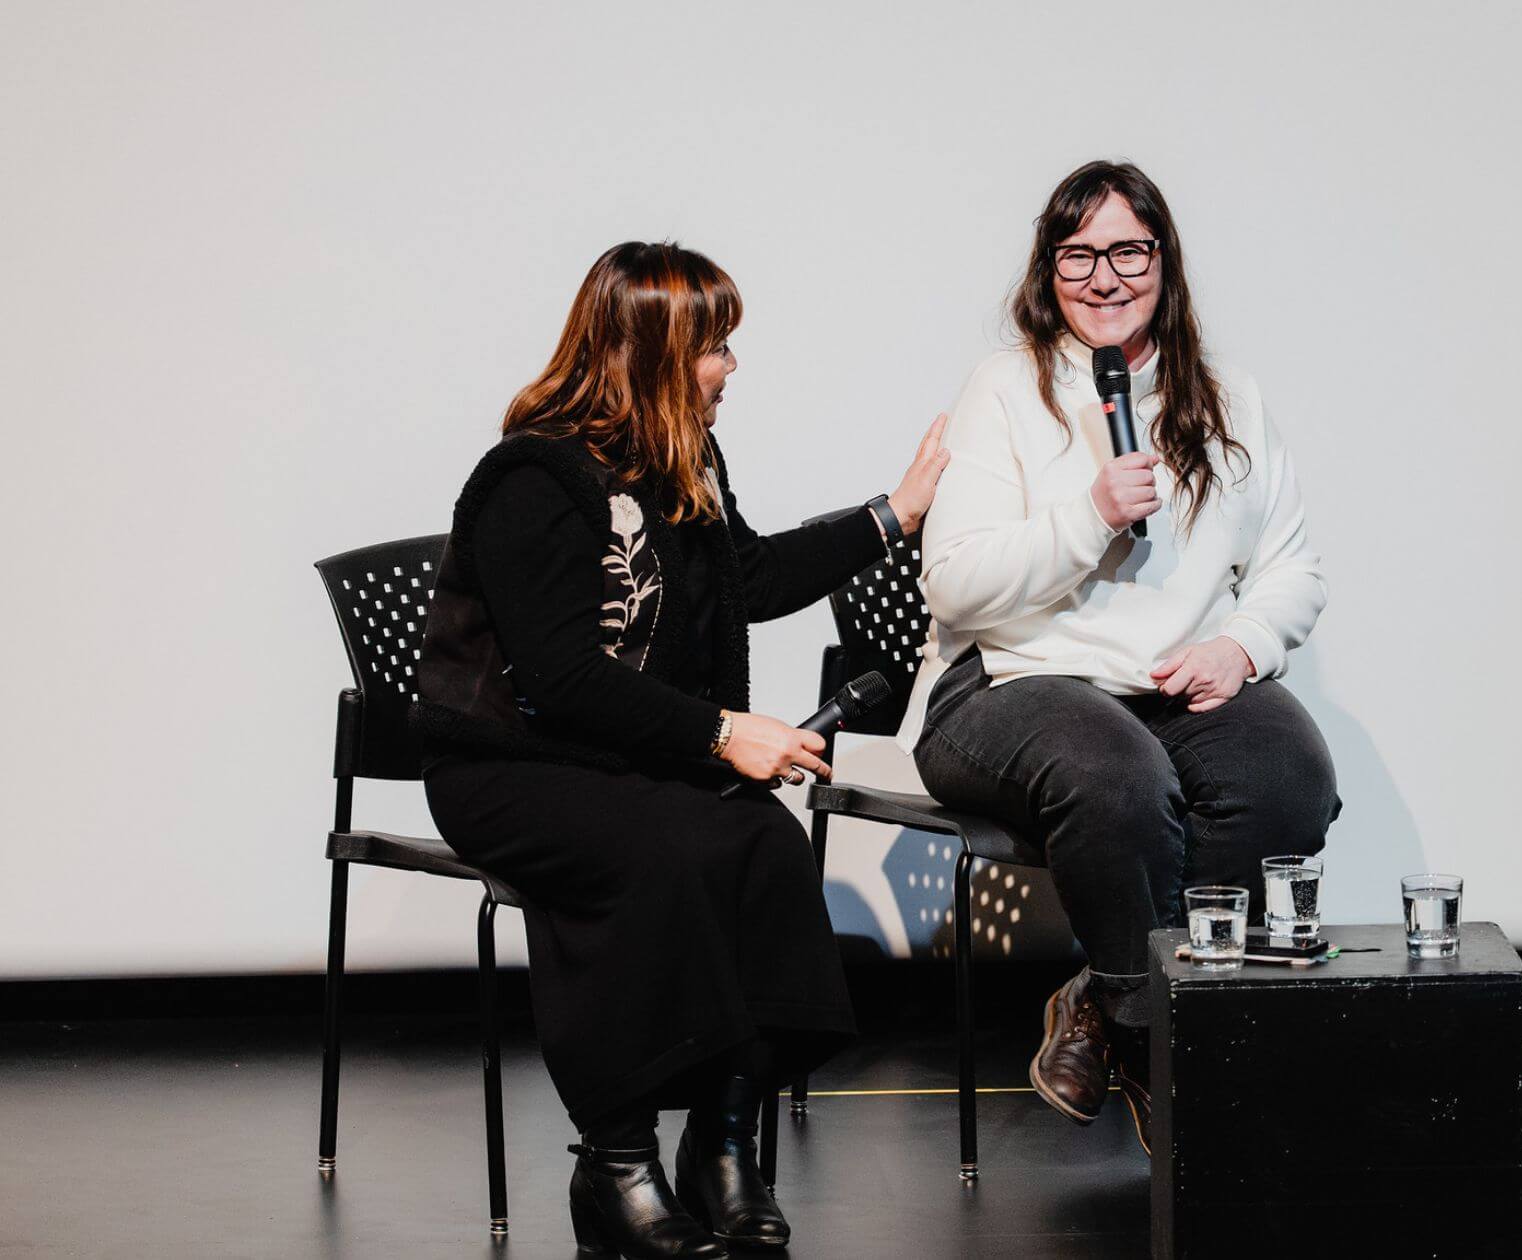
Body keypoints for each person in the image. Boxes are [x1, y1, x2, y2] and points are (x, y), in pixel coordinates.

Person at [415, 241, 947, 1256]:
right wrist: (722, 733)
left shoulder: (683, 463)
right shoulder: (533, 476)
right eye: (716, 347)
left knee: (764, 846)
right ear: (656, 351)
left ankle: (721, 1143)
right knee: (661, 851)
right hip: (508, 767)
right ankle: (615, 1164)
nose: (730, 368)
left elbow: (752, 576)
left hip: (625, 757)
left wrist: (894, 516)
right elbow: (559, 678)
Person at [902, 160, 1339, 1146]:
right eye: (1078, 255)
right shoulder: (1005, 388)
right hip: (1011, 677)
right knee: (1116, 774)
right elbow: (956, 584)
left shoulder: (1228, 397)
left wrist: (1241, 644)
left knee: (1285, 775)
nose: (1104, 277)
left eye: (1128, 251)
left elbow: (1291, 567)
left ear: (1163, 260)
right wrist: (1087, 517)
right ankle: (1155, 1036)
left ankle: (1105, 1002)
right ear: (1047, 268)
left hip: (1165, 682)